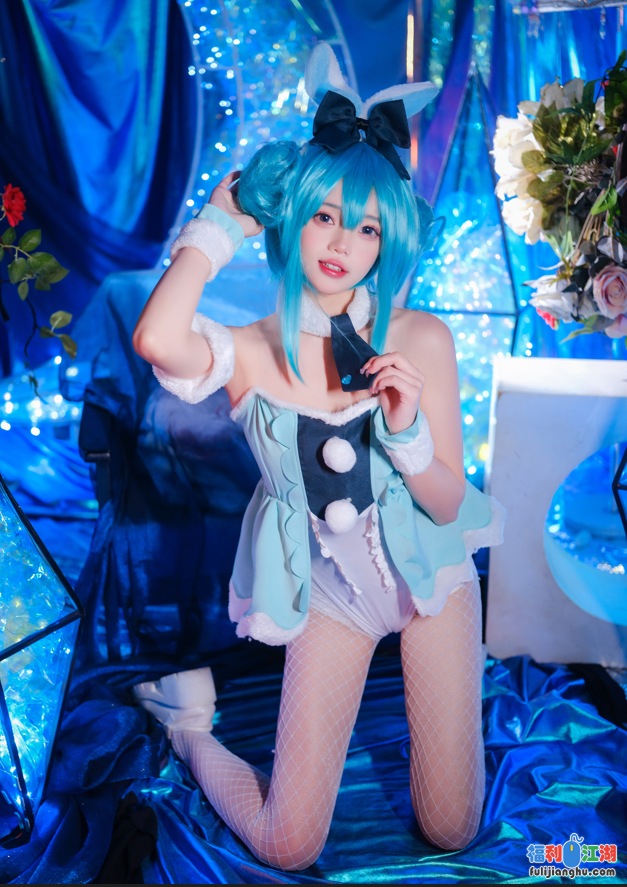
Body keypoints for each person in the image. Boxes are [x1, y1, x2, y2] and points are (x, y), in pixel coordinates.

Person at [131, 43, 504, 871]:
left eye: (366, 227)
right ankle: (188, 728)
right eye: (324, 215)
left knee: (452, 828)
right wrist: (218, 225)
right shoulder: (250, 350)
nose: (342, 243)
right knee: (287, 843)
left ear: (386, 241)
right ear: (292, 216)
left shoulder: (420, 339)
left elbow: (448, 505)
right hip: (332, 595)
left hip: (434, 580)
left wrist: (405, 435)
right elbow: (155, 336)